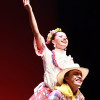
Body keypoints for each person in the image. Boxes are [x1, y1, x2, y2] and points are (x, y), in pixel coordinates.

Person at [23, 0, 85, 99]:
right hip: (48, 94)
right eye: (60, 36)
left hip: (64, 96)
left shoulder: (70, 61)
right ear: (53, 41)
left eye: (66, 37)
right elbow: (36, 33)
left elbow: (71, 80)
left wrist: (78, 92)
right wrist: (30, 10)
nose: (64, 38)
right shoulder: (48, 54)